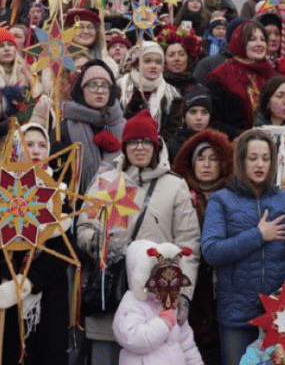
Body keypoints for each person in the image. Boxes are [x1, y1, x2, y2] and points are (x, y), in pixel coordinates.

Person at [77, 112, 199, 365]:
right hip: (110, 291)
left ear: (155, 145)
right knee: (105, 355)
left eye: (145, 141)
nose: (139, 147)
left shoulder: (175, 186)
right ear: (125, 146)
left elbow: (189, 246)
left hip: (155, 300)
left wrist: (183, 296)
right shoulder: (106, 182)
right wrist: (96, 242)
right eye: (133, 142)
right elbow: (84, 227)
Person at [200, 129, 285, 365]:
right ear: (241, 161)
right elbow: (211, 251)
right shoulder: (221, 200)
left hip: (279, 316)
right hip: (236, 316)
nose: (260, 164)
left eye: (265, 158)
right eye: (252, 158)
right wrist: (258, 235)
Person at [0, 123, 70, 365]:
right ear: (15, 149)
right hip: (1, 305)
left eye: (42, 145)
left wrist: (28, 282)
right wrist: (2, 274)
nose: (35, 150)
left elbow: (64, 252)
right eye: (28, 143)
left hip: (44, 301)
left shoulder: (61, 194)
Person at [170, 129, 232, 365]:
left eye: (213, 159)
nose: (206, 165)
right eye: (201, 158)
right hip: (189, 289)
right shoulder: (179, 194)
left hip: (224, 291)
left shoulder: (232, 196)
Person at [112, 240, 206, 365]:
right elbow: (131, 338)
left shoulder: (172, 302)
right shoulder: (131, 303)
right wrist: (163, 323)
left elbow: (187, 345)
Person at [61, 60, 127, 193]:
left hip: (119, 201)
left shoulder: (125, 127)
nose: (100, 91)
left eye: (105, 85)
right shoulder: (65, 128)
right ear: (82, 90)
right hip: (76, 201)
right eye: (93, 85)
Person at [204, 20, 278, 138]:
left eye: (263, 39)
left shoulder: (271, 74)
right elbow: (213, 122)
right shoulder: (221, 76)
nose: (259, 44)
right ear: (240, 43)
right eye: (252, 39)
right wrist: (242, 135)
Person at [118, 41, 181, 128]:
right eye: (147, 61)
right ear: (137, 64)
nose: (153, 66)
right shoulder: (120, 87)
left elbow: (173, 128)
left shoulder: (171, 94)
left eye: (158, 62)